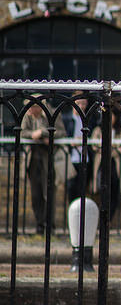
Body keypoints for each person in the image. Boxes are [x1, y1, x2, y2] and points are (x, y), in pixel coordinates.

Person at [21, 97, 65, 234]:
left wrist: (44, 134)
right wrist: (33, 134)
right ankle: (39, 223)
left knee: (50, 191)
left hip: (48, 157)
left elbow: (61, 132)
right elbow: (21, 131)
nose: (30, 110)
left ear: (40, 107)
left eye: (32, 107)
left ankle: (50, 224)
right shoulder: (27, 117)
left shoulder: (52, 114)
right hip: (33, 158)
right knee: (35, 193)